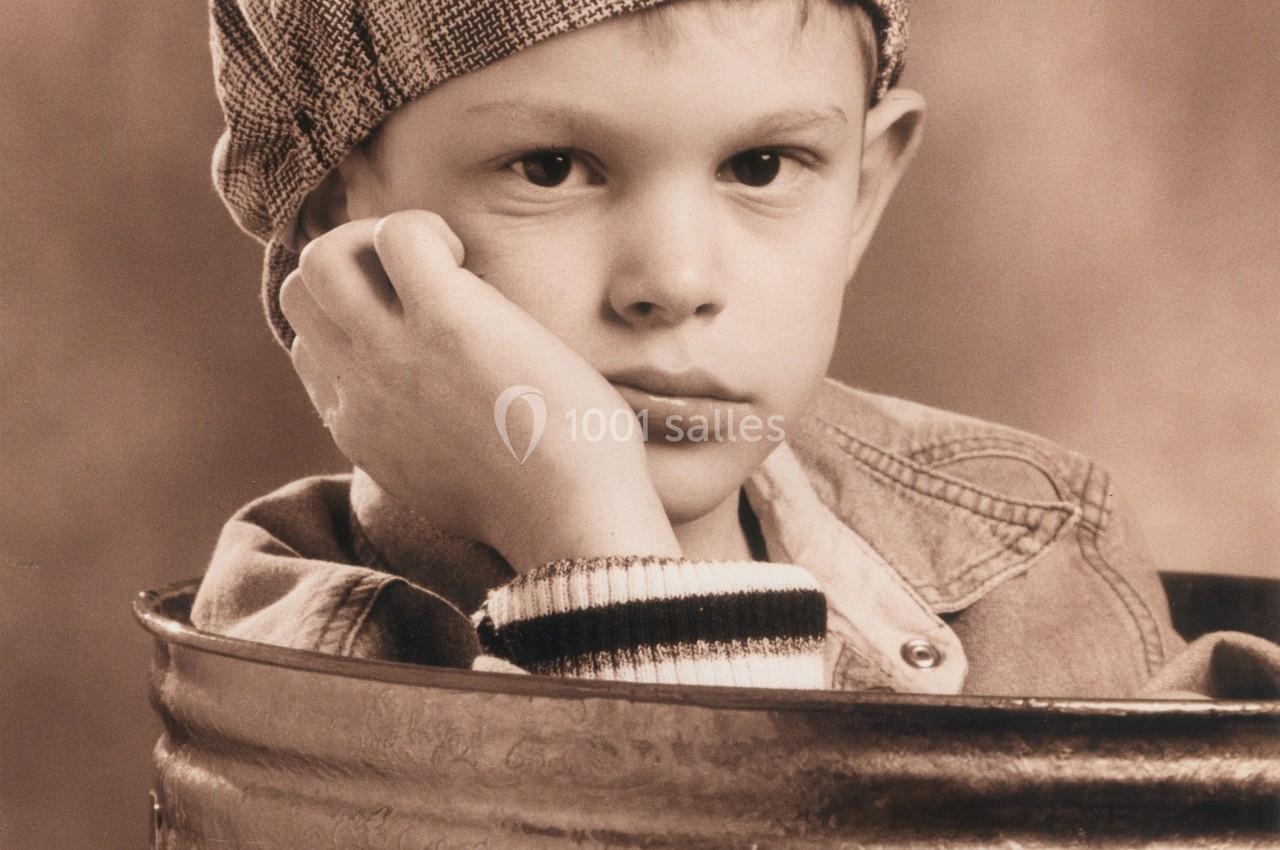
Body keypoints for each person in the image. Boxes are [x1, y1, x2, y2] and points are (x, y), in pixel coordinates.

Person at [192, 0, 1221, 696]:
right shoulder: (303, 644)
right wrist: (586, 536)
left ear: (861, 195)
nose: (674, 283)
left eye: (763, 165)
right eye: (550, 168)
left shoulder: (1025, 546)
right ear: (335, 223)